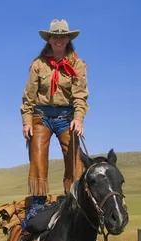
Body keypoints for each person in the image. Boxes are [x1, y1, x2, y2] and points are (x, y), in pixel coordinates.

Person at [20, 18, 89, 216]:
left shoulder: (78, 64)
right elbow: (28, 96)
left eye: (63, 36)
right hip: (41, 117)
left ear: (68, 39)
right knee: (38, 156)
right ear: (49, 39)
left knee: (74, 158)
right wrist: (26, 122)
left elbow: (80, 95)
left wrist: (78, 119)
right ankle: (39, 202)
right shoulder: (38, 65)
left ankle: (72, 197)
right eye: (55, 36)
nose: (59, 40)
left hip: (67, 117)